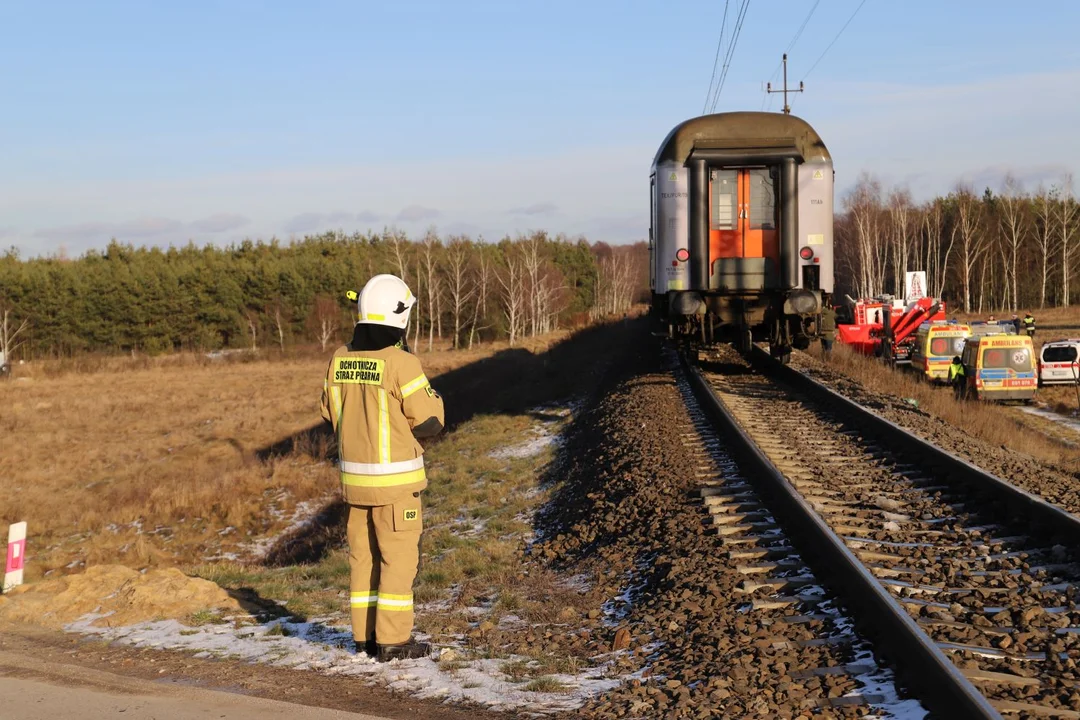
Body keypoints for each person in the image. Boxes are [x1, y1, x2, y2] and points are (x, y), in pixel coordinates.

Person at [321, 274, 445, 662]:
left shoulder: (340, 359)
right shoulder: (401, 363)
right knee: (398, 560)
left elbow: (329, 412)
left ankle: (365, 637)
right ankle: (393, 640)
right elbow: (430, 422)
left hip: (354, 486)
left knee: (364, 560)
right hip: (395, 489)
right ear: (400, 316)